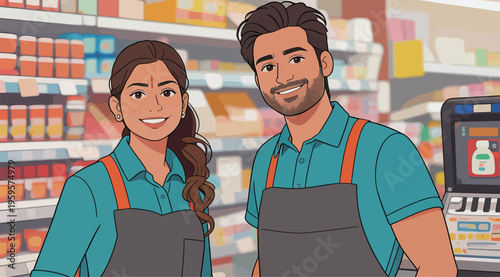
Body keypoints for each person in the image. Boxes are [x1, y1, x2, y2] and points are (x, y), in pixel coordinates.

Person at [237, 2, 457, 276]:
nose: (283, 76)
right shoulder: (265, 160)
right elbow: (266, 261)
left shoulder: (385, 150)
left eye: (295, 59)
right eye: (268, 66)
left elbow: (437, 265)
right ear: (258, 80)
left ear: (325, 63)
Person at [31, 40, 214, 276]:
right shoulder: (88, 188)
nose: (154, 105)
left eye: (166, 92)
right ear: (117, 107)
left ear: (183, 104)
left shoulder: (193, 187)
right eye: (138, 94)